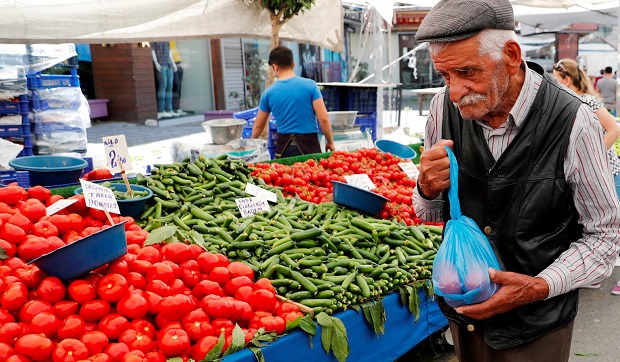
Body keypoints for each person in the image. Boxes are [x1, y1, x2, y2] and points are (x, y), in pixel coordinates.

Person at [413, 0, 620, 361]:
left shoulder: (573, 122)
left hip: (537, 326)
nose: (456, 91)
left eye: (467, 72)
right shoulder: (441, 109)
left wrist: (538, 286)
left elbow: (605, 235)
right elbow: (430, 216)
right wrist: (427, 188)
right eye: (446, 76)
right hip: (466, 317)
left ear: (510, 55)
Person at [552, 59, 620, 291]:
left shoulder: (586, 102)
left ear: (567, 80)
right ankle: (590, 271)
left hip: (607, 174)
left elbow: (614, 129)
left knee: (606, 224)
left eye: (555, 79)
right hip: (586, 175)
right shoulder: (564, 103)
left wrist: (593, 157)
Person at [251, 45, 335, 157]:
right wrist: (330, 142)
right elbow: (323, 119)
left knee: (287, 174)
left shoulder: (268, 93)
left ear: (275, 67)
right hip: (309, 147)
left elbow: (259, 124)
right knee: (312, 174)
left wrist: (250, 144)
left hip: (284, 149)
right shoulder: (310, 85)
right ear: (293, 64)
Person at [151, 42, 178, 119]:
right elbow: (152, 51)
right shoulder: (154, 40)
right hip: (161, 63)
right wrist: (156, 63)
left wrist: (173, 63)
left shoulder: (166, 41)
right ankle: (161, 110)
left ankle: (169, 109)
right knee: (163, 85)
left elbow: (169, 52)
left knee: (169, 86)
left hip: (169, 64)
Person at [169, 41, 187, 115]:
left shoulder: (175, 40)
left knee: (179, 86)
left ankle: (177, 107)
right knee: (175, 85)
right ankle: (173, 107)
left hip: (178, 62)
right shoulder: (166, 38)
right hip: (172, 63)